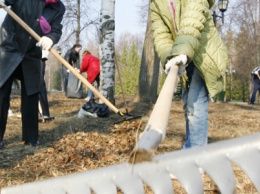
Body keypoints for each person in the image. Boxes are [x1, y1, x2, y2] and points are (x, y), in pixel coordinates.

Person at [150, 0, 228, 149]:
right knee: (188, 104)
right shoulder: (156, 4)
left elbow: (192, 20)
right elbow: (161, 35)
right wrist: (169, 57)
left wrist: (182, 51)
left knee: (196, 104)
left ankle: (197, 155)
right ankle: (190, 145)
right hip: (183, 56)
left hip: (203, 55)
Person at [0, 0, 65, 148]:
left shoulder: (58, 7)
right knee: (2, 91)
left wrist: (51, 38)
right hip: (10, 47)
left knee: (31, 93)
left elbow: (56, 29)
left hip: (31, 54)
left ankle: (30, 138)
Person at [39, 50, 55, 121]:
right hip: (26, 55)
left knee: (40, 82)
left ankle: (45, 113)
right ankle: (40, 112)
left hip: (39, 56)